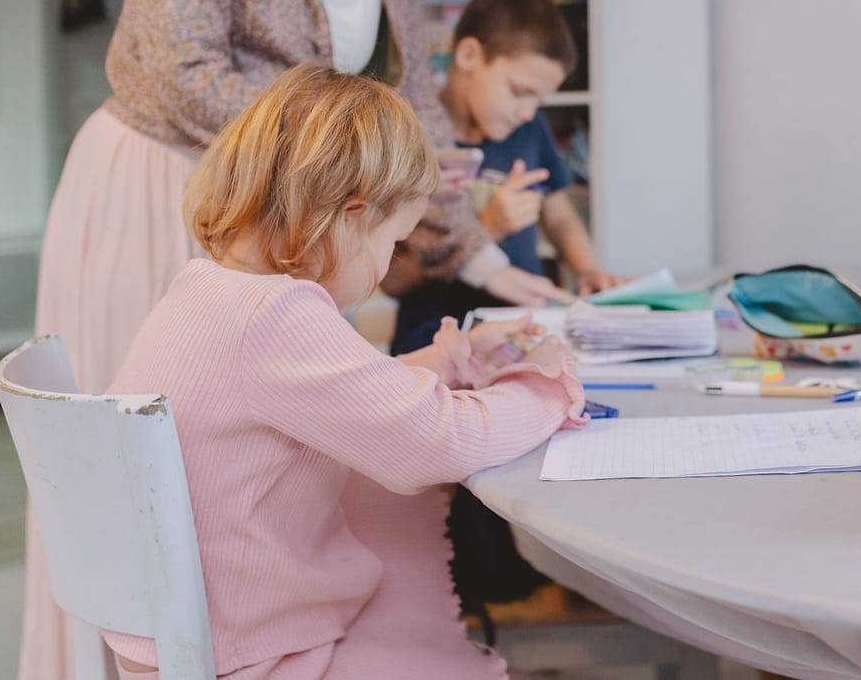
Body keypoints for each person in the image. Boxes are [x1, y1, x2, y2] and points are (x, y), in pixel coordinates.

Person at [25, 0, 564, 680]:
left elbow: (416, 109)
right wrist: (546, 385)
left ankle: (180, 643)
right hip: (172, 169)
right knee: (151, 481)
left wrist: (478, 256)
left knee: (235, 457)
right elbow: (179, 66)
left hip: (286, 196)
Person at [101, 66, 586, 678]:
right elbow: (441, 441)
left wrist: (447, 361)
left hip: (191, 631)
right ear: (350, 217)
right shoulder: (278, 313)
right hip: (250, 647)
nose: (385, 269)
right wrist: (545, 386)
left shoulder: (211, 289)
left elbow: (336, 396)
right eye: (394, 243)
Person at [384, 0, 622, 355]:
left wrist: (588, 269)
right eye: (520, 91)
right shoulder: (412, 137)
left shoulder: (529, 129)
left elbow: (559, 215)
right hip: (433, 342)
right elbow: (392, 280)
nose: (528, 112)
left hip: (525, 332)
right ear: (468, 56)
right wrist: (488, 228)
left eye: (539, 99)